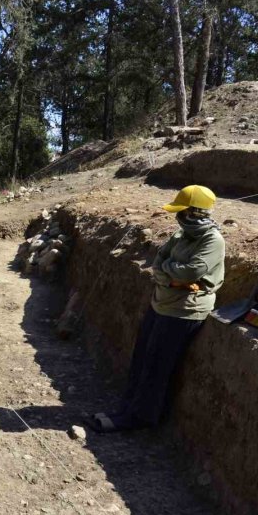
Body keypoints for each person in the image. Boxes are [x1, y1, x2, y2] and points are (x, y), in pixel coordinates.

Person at [87, 185, 225, 432]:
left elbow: (192, 271)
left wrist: (171, 272)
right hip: (161, 304)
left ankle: (139, 418)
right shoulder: (181, 235)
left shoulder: (212, 241)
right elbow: (159, 264)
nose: (178, 216)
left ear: (195, 212)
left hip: (183, 312)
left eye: (182, 211)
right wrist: (173, 278)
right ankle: (126, 409)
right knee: (142, 359)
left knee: (156, 367)